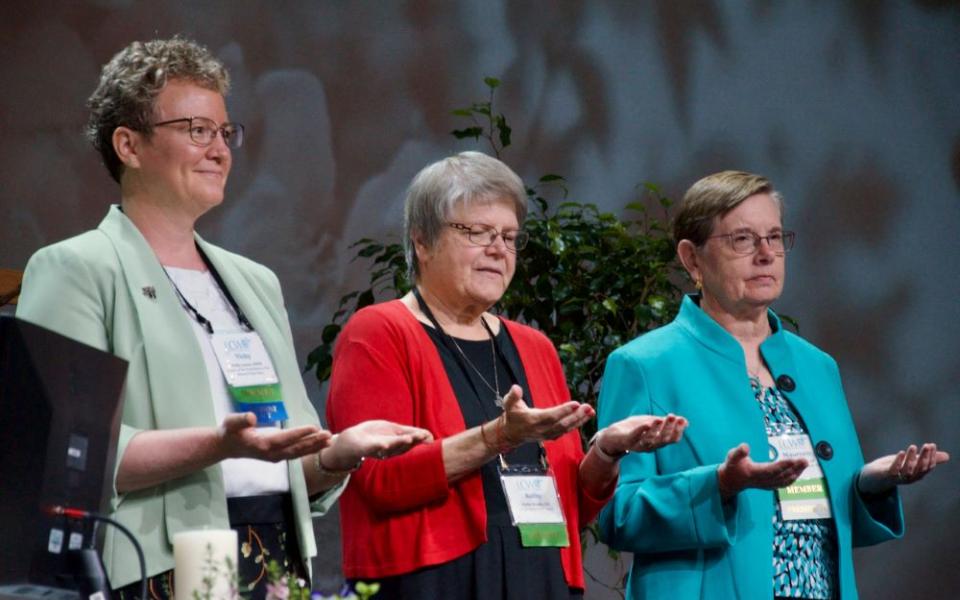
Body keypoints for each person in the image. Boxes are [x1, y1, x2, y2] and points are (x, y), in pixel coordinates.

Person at [16, 37, 431, 599]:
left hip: (277, 553)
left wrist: (339, 452)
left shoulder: (255, 282)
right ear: (129, 145)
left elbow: (290, 457)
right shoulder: (75, 268)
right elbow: (67, 454)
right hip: (166, 556)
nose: (220, 150)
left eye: (225, 132)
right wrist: (219, 443)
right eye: (196, 130)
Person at [325, 151, 688, 599]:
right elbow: (378, 481)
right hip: (432, 580)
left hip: (540, 575)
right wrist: (498, 436)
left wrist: (609, 451)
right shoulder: (379, 332)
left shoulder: (533, 347)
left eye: (509, 236)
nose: (498, 249)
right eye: (477, 232)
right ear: (422, 241)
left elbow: (574, 501)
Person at [597, 170, 949, 599]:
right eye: (742, 239)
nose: (766, 254)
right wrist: (719, 485)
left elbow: (824, 519)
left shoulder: (817, 367)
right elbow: (618, 514)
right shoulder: (644, 364)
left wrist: (868, 482)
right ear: (692, 259)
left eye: (775, 237)